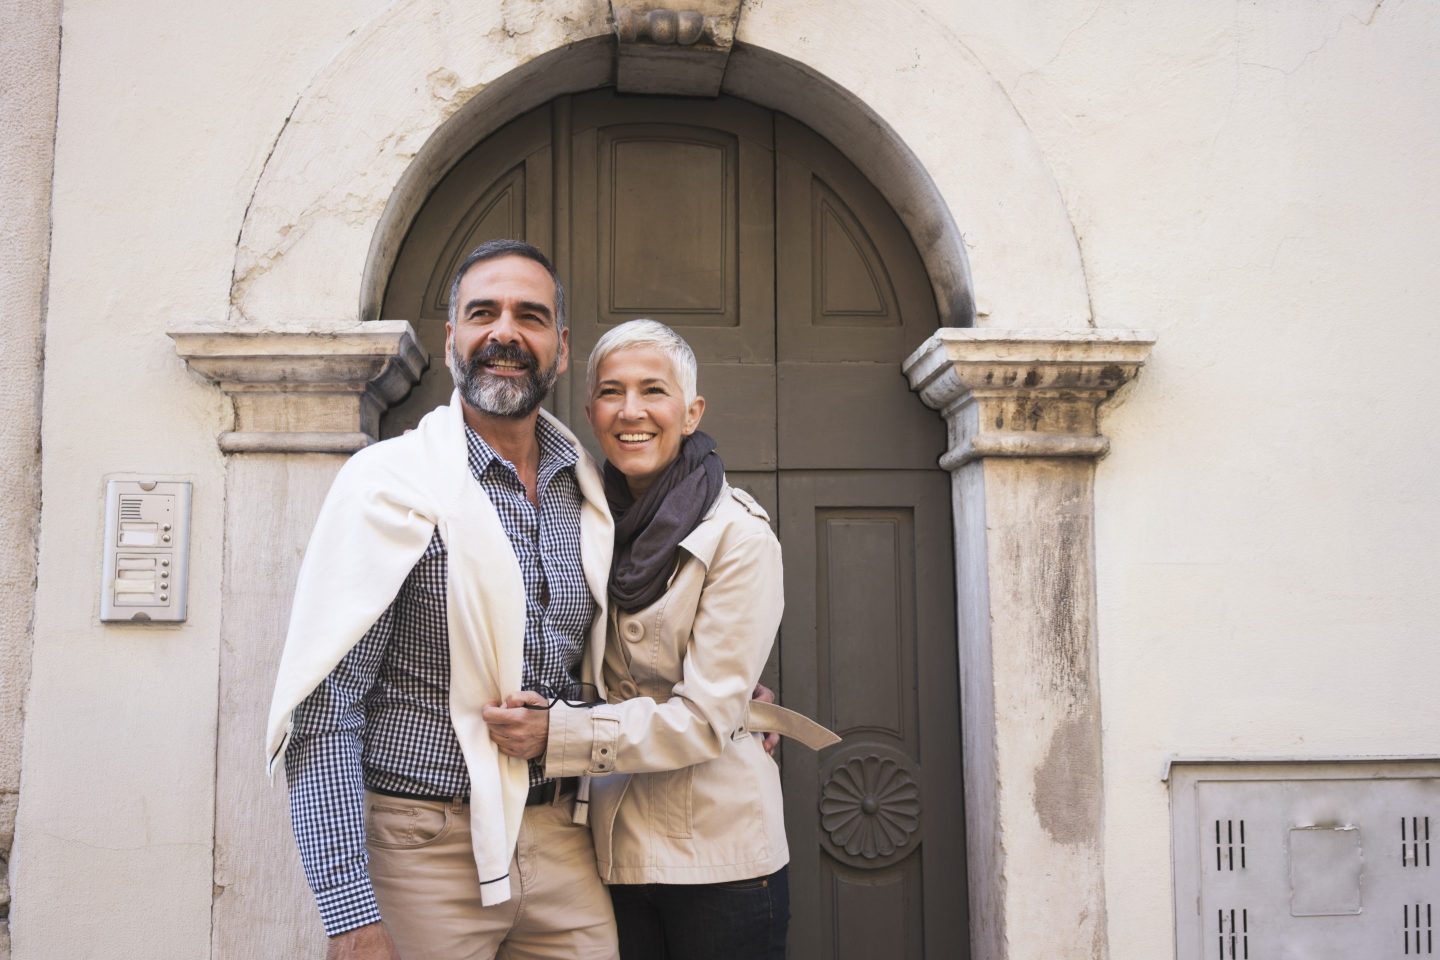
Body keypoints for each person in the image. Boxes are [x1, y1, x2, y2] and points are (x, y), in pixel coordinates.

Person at [266, 239, 620, 960]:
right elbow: (326, 710)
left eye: (530, 316)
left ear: (558, 346)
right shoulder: (387, 486)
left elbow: (624, 647)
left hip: (560, 842)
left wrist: (729, 703)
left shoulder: (584, 489)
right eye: (482, 312)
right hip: (422, 850)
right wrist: (349, 915)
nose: (505, 334)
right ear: (451, 336)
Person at [483, 319, 835, 960]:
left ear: (692, 411)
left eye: (654, 390)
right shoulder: (578, 520)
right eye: (612, 392)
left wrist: (556, 735)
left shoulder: (740, 536)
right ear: (590, 413)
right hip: (606, 851)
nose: (632, 411)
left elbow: (702, 720)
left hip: (717, 859)